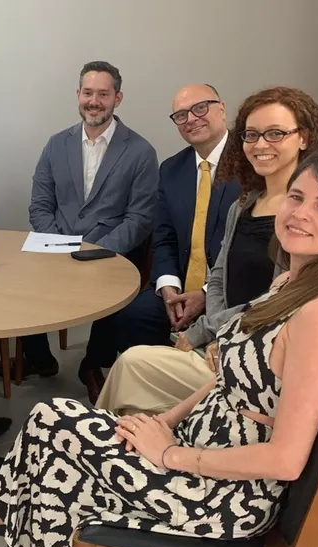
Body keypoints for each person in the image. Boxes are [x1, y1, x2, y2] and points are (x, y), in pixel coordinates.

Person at [0, 145, 318, 547]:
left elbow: (286, 460)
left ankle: (13, 524)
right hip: (197, 445)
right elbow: (225, 381)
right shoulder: (289, 282)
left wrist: (169, 454)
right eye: (296, 197)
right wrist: (165, 420)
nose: (300, 213)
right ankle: (13, 524)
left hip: (226, 493)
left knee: (60, 458)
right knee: (48, 415)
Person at [96, 87, 318, 415]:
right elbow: (219, 272)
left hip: (261, 350)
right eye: (251, 135)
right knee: (131, 350)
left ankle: (112, 434)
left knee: (132, 367)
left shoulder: (306, 216)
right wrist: (211, 328)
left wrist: (209, 332)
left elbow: (280, 301)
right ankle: (127, 430)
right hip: (222, 331)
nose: (261, 145)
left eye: (275, 134)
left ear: (304, 138)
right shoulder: (245, 203)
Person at [0, 61, 159, 381]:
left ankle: (93, 365)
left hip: (109, 251)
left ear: (118, 98)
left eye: (103, 94)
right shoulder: (56, 143)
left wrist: (95, 251)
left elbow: (139, 218)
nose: (94, 101)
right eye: (88, 93)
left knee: (118, 289)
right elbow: (40, 205)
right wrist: (59, 245)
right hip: (56, 245)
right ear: (78, 94)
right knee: (17, 279)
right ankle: (39, 359)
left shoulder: (141, 151)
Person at [78, 83, 241, 400]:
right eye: (181, 115)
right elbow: (163, 236)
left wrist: (205, 293)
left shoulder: (251, 165)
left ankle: (199, 401)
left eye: (200, 108)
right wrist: (168, 286)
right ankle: (157, 394)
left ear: (222, 108)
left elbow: (251, 252)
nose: (191, 119)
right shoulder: (172, 169)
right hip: (179, 285)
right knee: (131, 316)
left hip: (230, 291)